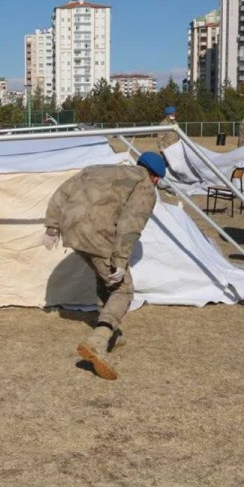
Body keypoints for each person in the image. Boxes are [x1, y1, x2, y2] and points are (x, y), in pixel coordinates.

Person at [43, 152, 167, 381]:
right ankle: (98, 341)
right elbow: (131, 223)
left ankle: (111, 333)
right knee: (123, 289)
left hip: (71, 229)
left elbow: (63, 192)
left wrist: (52, 226)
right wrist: (120, 260)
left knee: (104, 278)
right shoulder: (145, 186)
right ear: (156, 178)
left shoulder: (97, 168)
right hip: (98, 234)